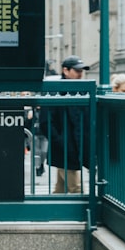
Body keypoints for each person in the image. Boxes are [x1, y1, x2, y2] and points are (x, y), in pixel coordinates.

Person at [42, 55, 90, 194]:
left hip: (71, 147)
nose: (80, 74)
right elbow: (46, 122)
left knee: (61, 188)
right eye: (77, 70)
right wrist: (61, 142)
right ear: (65, 70)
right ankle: (83, 214)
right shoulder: (55, 90)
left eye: (81, 71)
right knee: (77, 189)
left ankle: (51, 212)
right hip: (67, 148)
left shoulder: (81, 89)